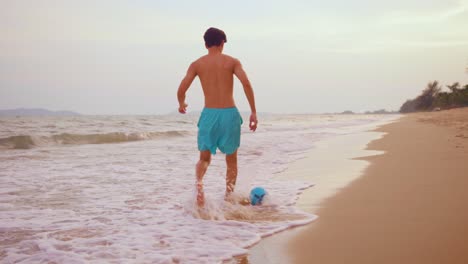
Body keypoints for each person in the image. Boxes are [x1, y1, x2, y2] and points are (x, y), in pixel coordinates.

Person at [177, 27, 257, 207]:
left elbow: (182, 88)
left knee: (204, 158)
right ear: (222, 43)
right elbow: (246, 83)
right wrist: (253, 111)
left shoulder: (197, 64)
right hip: (229, 113)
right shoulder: (232, 62)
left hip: (209, 115)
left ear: (205, 44)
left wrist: (182, 103)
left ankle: (199, 184)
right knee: (231, 159)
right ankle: (229, 197)